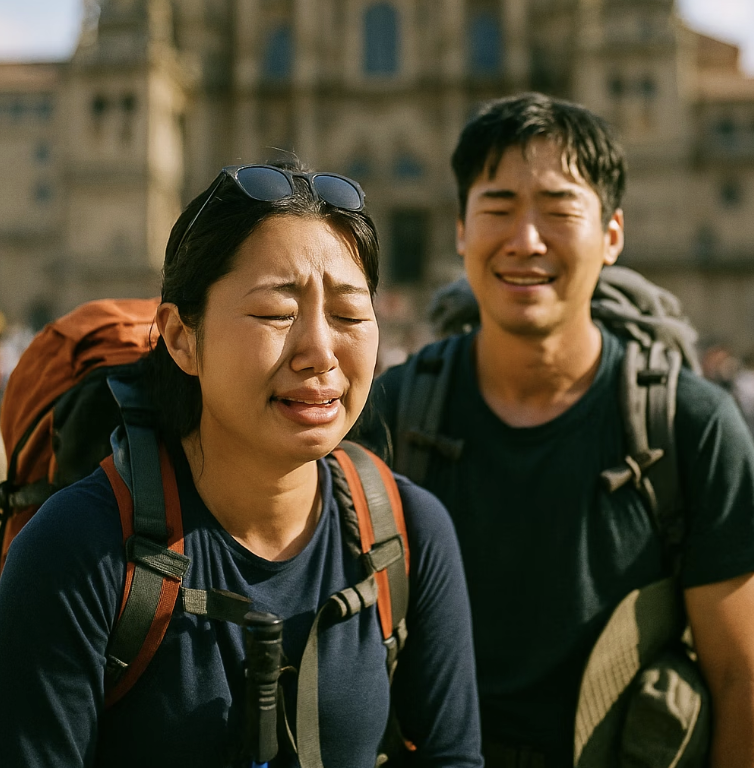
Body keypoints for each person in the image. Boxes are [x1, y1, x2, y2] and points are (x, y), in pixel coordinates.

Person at [0, 162, 483, 768]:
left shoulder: (409, 531)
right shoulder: (77, 552)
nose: (320, 352)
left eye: (349, 314)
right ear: (181, 338)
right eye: (277, 312)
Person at [352, 94, 754, 768]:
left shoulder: (693, 426)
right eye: (499, 209)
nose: (526, 240)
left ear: (613, 235)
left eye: (560, 210)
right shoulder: (389, 412)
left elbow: (741, 683)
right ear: (460, 229)